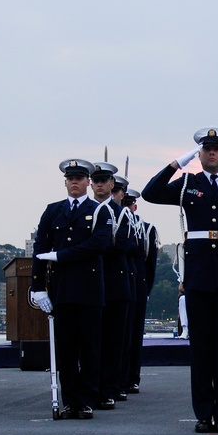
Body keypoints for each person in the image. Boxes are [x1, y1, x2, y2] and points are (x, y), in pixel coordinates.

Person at [141, 127, 218, 434]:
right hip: (197, 276)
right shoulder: (187, 184)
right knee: (201, 349)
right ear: (199, 153)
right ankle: (202, 412)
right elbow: (150, 193)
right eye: (206, 148)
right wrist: (177, 164)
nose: (211, 152)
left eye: (216, 148)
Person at [31, 158, 112, 420]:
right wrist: (37, 286)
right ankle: (71, 401)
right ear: (65, 182)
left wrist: (61, 256)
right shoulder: (52, 210)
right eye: (70, 179)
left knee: (90, 348)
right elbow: (40, 251)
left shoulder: (100, 211)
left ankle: (87, 400)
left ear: (88, 182)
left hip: (89, 290)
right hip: (62, 289)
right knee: (65, 349)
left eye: (79, 179)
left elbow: (98, 245)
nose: (74, 183)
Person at [90, 162, 131, 410]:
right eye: (96, 181)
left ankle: (109, 389)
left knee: (113, 342)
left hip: (115, 284)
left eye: (105, 181)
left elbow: (123, 246)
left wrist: (91, 248)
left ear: (112, 184)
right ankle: (91, 388)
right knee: (91, 342)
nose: (100, 185)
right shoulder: (85, 211)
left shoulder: (121, 214)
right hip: (90, 283)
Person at [121, 185, 158, 395]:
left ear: (135, 206)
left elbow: (150, 263)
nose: (126, 208)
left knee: (133, 336)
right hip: (116, 285)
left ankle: (131, 377)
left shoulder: (146, 229)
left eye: (128, 204)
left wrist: (146, 289)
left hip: (137, 285)